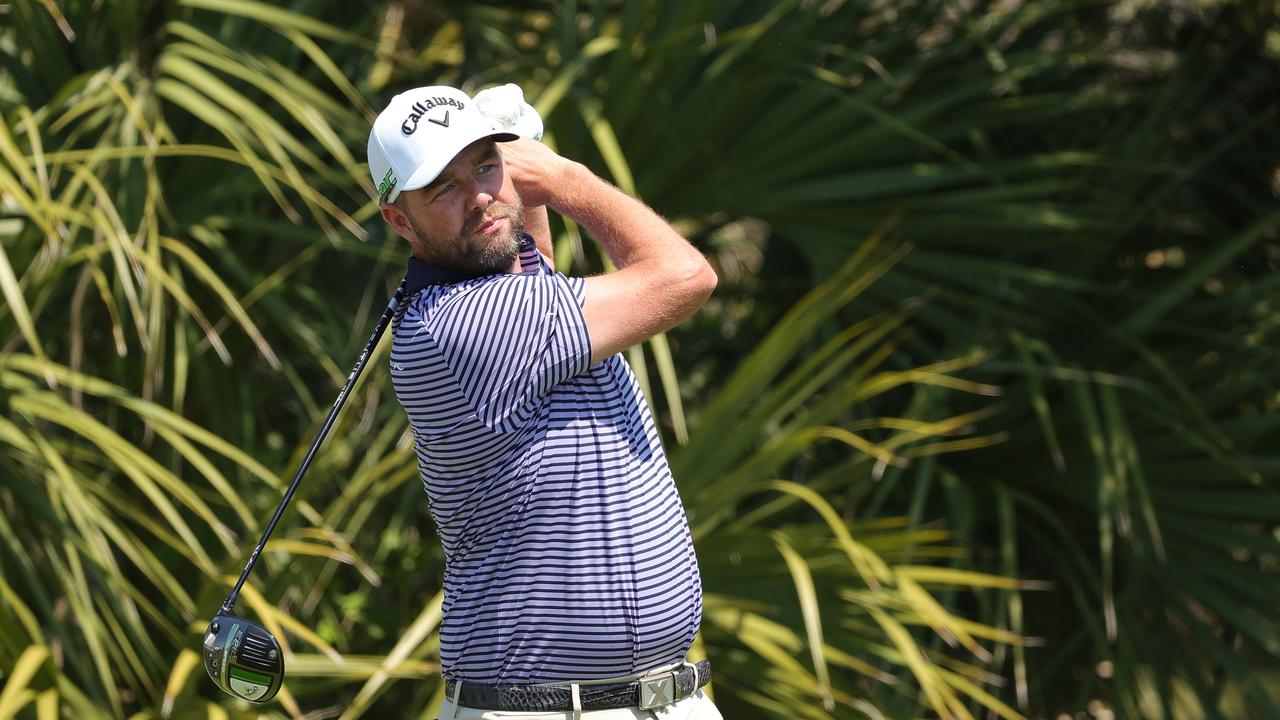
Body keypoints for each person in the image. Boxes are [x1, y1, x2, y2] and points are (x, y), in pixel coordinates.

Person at [368, 85, 722, 720]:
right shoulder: (458, 325)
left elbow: (533, 270)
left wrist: (516, 194)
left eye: (485, 164)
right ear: (400, 221)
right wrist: (560, 177)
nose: (478, 195)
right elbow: (686, 275)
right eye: (443, 188)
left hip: (663, 699)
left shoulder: (512, 304)